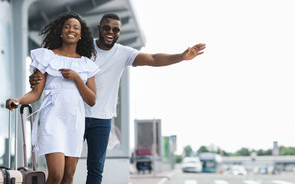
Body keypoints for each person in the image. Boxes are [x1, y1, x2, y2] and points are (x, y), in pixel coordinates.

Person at [30, 13, 206, 184]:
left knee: (96, 169)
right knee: (66, 172)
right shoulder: (83, 49)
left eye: (115, 29)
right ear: (99, 28)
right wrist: (35, 78)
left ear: (119, 33)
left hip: (102, 119)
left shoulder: (123, 53)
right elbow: (58, 64)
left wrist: (181, 57)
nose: (110, 32)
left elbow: (153, 58)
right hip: (75, 116)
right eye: (106, 27)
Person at [7, 12, 99, 184]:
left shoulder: (86, 64)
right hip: (53, 119)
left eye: (75, 28)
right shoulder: (47, 57)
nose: (71, 30)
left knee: (68, 177)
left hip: (74, 121)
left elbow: (92, 100)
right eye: (67, 26)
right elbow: (35, 93)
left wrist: (77, 78)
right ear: (60, 32)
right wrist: (18, 100)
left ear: (81, 35)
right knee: (56, 175)